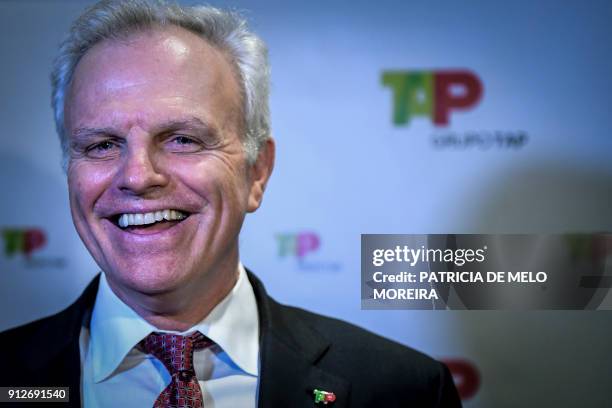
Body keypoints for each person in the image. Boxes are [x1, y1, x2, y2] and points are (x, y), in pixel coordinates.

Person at [0, 1, 461, 407]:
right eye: (101, 145)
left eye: (182, 139)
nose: (138, 176)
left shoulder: (403, 389)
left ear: (256, 172)